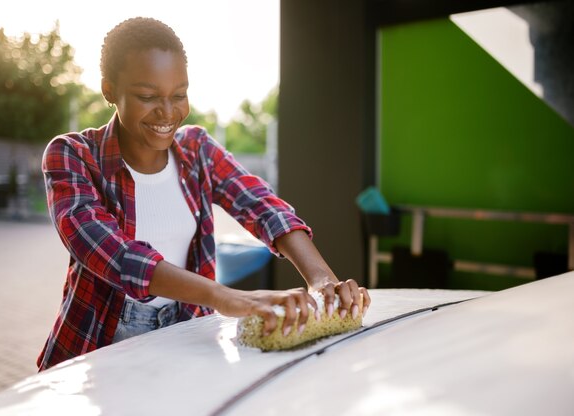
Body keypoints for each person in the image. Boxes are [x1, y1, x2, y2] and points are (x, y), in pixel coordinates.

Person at [37, 16, 370, 371]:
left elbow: (262, 206)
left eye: (179, 95)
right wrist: (226, 297)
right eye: (147, 96)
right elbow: (115, 255)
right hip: (95, 351)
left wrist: (321, 279)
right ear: (108, 90)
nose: (168, 112)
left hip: (186, 338)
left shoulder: (197, 150)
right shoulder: (72, 155)